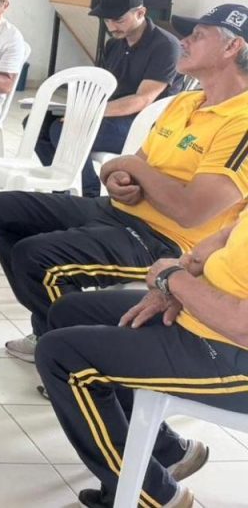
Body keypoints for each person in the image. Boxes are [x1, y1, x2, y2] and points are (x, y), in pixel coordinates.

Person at [0, 3, 248, 364]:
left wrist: (128, 167)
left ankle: (74, 354)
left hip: (165, 239)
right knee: (4, 209)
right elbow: (134, 165)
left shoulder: (241, 121)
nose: (184, 41)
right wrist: (119, 174)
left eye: (198, 36)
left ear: (233, 48)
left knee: (35, 257)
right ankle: (57, 334)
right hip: (118, 209)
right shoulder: (185, 102)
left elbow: (191, 212)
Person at [35, 207, 248, 508]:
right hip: (205, 317)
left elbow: (242, 326)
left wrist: (173, 279)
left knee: (61, 358)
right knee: (67, 312)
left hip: (234, 356)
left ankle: (153, 496)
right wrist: (179, 279)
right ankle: (165, 451)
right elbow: (225, 235)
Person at [35, 0, 182, 197]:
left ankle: (88, 194)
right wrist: (74, 107)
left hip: (146, 127)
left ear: (141, 12)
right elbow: (102, 88)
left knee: (65, 130)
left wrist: (88, 113)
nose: (112, 26)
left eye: (119, 19)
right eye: (107, 20)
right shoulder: (114, 43)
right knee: (38, 125)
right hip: (113, 118)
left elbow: (142, 100)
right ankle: (65, 190)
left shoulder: (165, 46)